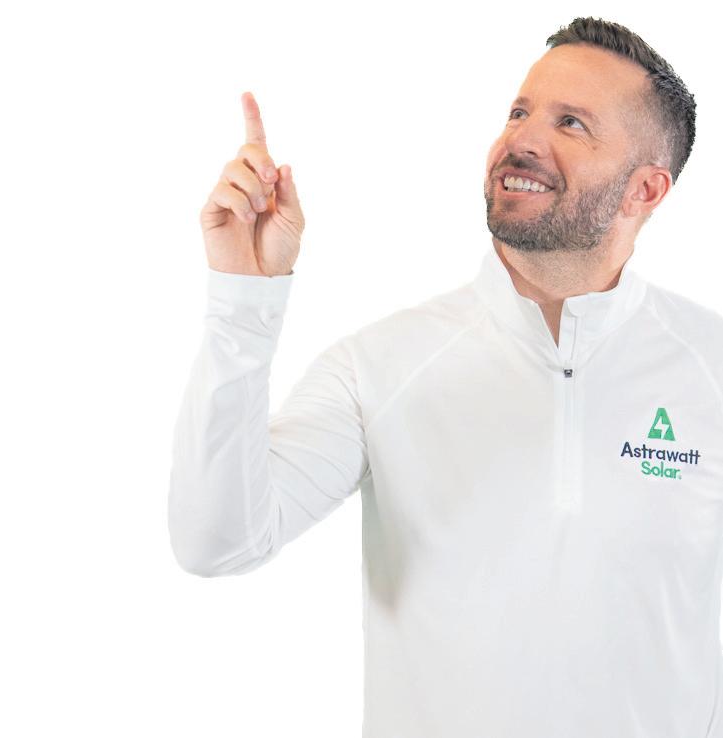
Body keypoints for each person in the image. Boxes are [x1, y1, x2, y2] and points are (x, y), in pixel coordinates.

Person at [168, 16, 723, 737]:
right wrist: (243, 303)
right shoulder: (380, 366)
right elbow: (217, 541)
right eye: (519, 111)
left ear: (643, 190)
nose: (523, 139)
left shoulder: (709, 367)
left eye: (571, 123)